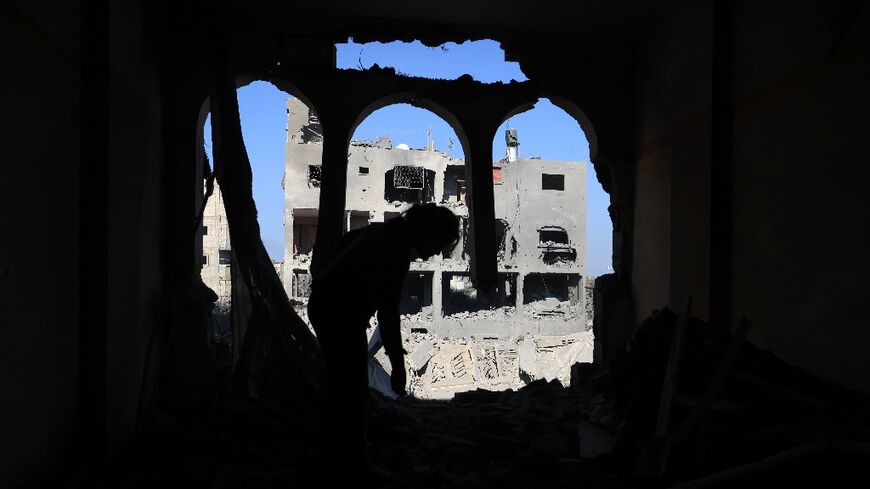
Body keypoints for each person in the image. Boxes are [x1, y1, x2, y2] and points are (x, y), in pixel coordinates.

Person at [307, 203, 459, 468]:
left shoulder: (373, 232)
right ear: (428, 233)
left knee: (340, 386)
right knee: (352, 393)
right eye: (438, 244)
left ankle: (333, 450)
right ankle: (348, 461)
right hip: (339, 314)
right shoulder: (394, 249)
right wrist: (398, 367)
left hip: (325, 307)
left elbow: (338, 254)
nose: (436, 252)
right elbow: (388, 314)